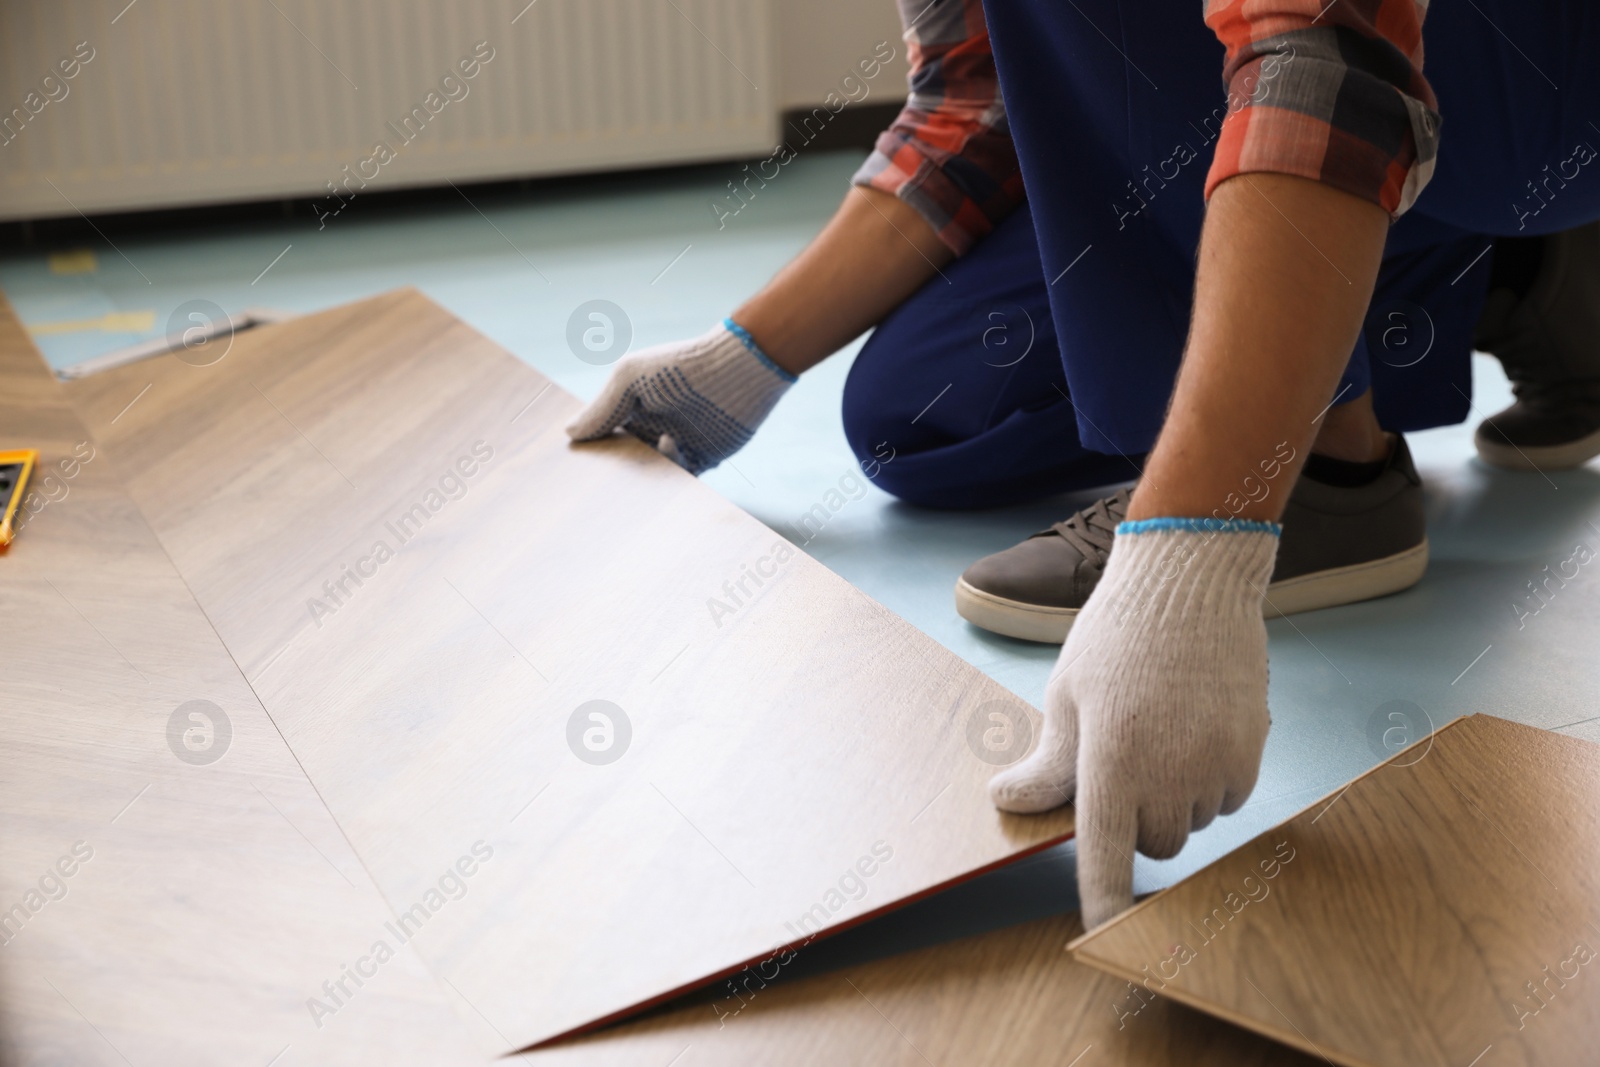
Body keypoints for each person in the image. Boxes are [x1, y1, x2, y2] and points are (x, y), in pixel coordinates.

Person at [569, 0, 1600, 927]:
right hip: (1379, 80)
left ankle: (1326, 467)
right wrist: (744, 358)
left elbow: (1330, 57)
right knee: (921, 410)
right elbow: (973, 100)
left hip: (1539, 68)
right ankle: (1502, 271)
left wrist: (1196, 538)